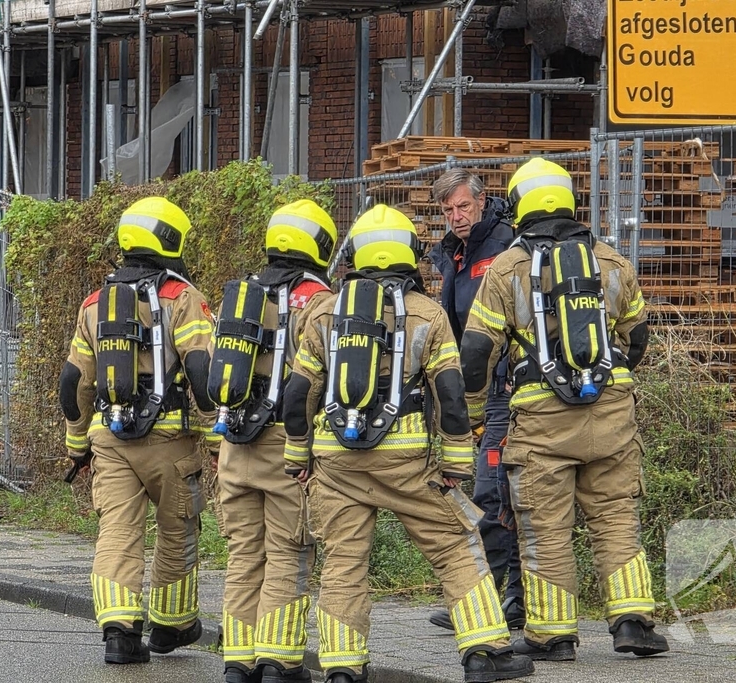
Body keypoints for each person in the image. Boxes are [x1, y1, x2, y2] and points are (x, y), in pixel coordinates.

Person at [281, 204, 534, 683]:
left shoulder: (321, 314)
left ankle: (340, 666)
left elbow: (299, 395)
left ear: (353, 255)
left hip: (336, 465)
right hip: (407, 467)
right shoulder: (427, 313)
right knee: (458, 544)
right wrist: (458, 460)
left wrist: (299, 457)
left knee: (343, 563)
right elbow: (452, 395)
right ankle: (485, 651)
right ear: (411, 255)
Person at [459, 158, 669, 662]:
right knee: (618, 518)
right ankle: (634, 624)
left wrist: (469, 417)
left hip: (541, 420)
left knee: (545, 528)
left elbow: (475, 356)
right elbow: (637, 339)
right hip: (612, 414)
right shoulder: (612, 262)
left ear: (519, 205)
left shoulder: (506, 269)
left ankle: (553, 636)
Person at [60, 196, 218, 664]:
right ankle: (170, 627)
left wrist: (77, 445)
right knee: (178, 529)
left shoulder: (95, 303)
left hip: (108, 441)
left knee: (117, 532)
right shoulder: (183, 298)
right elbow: (202, 371)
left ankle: (119, 632)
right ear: (169, 240)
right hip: (170, 442)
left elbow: (74, 382)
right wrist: (215, 436)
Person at [212, 200, 337, 683]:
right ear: (320, 245)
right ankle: (280, 662)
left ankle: (238, 664)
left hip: (235, 445)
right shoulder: (319, 301)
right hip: (287, 446)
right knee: (289, 551)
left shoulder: (241, 294)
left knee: (244, 554)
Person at [426, 169, 523, 632]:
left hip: (503, 390)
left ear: (482, 203)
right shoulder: (454, 254)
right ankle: (508, 602)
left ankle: (489, 601)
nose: (456, 217)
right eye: (448, 210)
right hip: (471, 393)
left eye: (463, 207)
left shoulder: (503, 247)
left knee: (494, 492)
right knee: (491, 491)